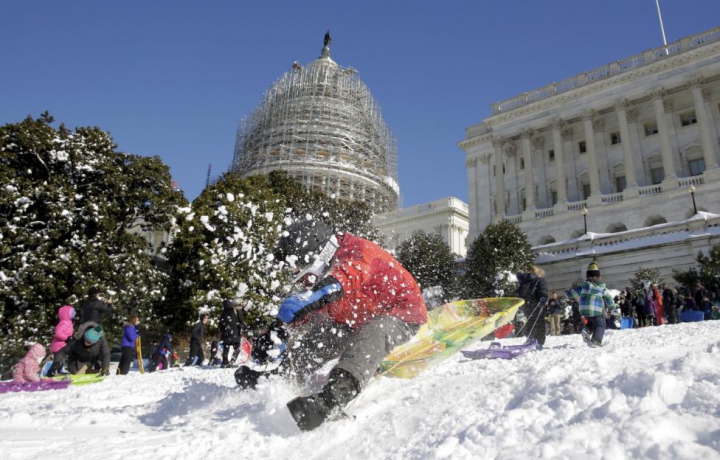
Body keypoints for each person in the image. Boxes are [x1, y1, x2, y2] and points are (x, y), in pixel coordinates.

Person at [235, 219, 428, 431]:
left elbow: (341, 282)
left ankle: (331, 398)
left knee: (372, 334)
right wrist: (278, 331)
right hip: (352, 317)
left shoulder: (356, 251)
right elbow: (308, 310)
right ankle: (282, 377)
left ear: (314, 254)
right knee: (315, 341)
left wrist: (303, 302)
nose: (298, 277)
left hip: (400, 313)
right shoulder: (326, 269)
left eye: (299, 268)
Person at [566, 262, 615, 347]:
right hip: (596, 310)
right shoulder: (602, 288)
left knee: (592, 323)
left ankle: (586, 330)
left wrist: (568, 293)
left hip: (584, 310)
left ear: (587, 277)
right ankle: (596, 341)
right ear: (598, 277)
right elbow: (608, 299)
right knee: (600, 324)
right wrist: (612, 307)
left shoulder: (583, 286)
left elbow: (572, 293)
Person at [515, 266, 548, 346]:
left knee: (530, 321)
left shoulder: (524, 282)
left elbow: (519, 292)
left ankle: (531, 338)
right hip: (537, 304)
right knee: (539, 322)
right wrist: (543, 297)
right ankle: (539, 342)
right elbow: (542, 289)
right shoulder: (539, 280)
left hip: (526, 305)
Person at [47, 305, 76, 377]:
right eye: (72, 313)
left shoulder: (68, 322)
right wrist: (67, 338)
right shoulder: (64, 322)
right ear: (67, 314)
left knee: (60, 360)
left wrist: (72, 337)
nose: (74, 314)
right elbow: (58, 333)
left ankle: (57, 371)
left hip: (61, 344)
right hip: (59, 345)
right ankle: (52, 372)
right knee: (59, 359)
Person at [220, 300, 243, 367]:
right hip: (235, 334)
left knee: (226, 348)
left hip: (226, 334)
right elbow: (241, 321)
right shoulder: (236, 311)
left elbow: (220, 324)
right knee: (237, 348)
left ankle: (224, 362)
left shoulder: (223, 313)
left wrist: (224, 332)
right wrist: (240, 327)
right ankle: (232, 362)